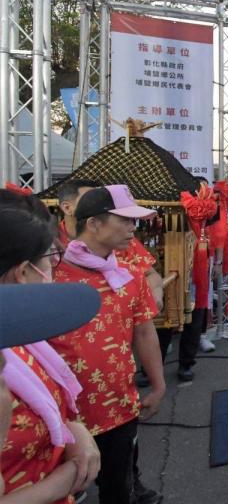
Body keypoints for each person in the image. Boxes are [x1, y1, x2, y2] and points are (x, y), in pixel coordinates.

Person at [51, 185, 165, 504]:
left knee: (118, 490)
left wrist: (157, 384)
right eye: (126, 221)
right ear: (94, 224)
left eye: (135, 222)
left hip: (119, 407)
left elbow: (144, 332)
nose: (133, 229)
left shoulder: (129, 274)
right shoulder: (50, 275)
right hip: (64, 413)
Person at [0, 207, 102, 504]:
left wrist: (77, 432)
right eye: (51, 259)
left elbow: (51, 408)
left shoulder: (23, 341)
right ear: (22, 272)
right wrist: (66, 480)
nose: (55, 269)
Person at [57, 179, 164, 309]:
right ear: (67, 208)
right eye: (88, 199)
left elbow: (150, 274)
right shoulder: (51, 246)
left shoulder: (123, 244)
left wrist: (153, 297)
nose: (132, 228)